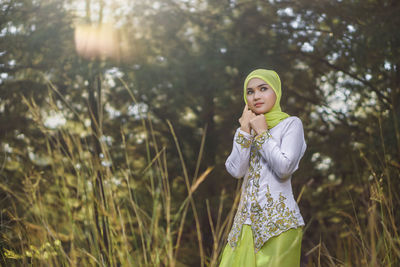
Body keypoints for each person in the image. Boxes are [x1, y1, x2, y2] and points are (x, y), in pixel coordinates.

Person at [219, 69, 307, 267]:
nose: (256, 96)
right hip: (243, 228)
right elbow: (236, 171)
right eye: (250, 92)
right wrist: (245, 131)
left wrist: (262, 133)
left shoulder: (291, 124)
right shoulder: (244, 130)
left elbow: (285, 168)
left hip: (279, 226)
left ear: (276, 92)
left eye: (263, 89)